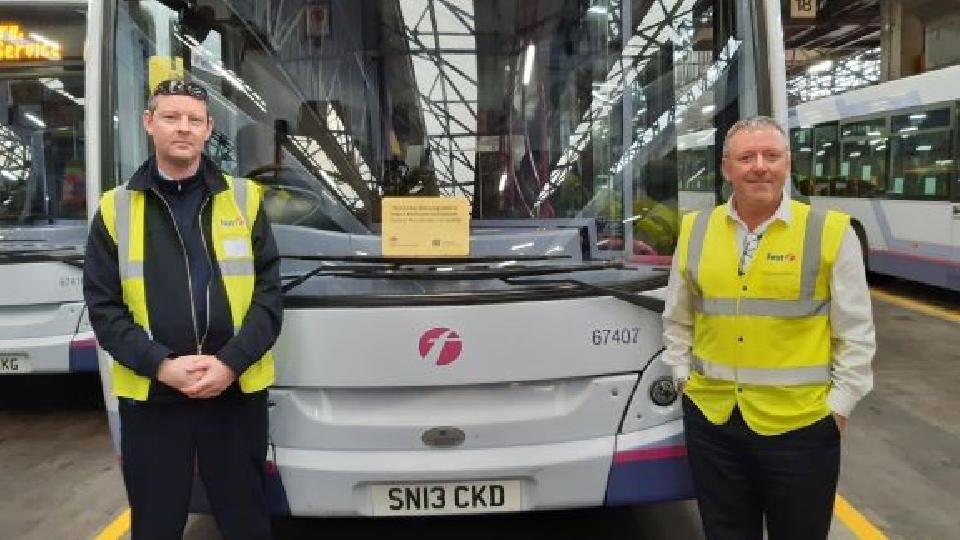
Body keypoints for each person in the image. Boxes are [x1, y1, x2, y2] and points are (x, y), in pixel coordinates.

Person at [83, 79, 282, 540]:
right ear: (148, 123)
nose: (184, 128)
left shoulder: (245, 200)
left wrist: (230, 363)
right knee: (155, 524)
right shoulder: (115, 209)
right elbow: (104, 306)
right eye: (171, 117)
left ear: (209, 128)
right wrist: (161, 366)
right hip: (154, 397)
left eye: (194, 120)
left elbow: (269, 297)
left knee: (246, 520)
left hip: (232, 393)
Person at [663, 116, 875, 540]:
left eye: (771, 156)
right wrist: (682, 376)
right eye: (746, 157)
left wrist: (840, 406)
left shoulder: (830, 232)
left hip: (802, 428)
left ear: (787, 164)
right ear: (727, 169)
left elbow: (855, 332)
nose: (759, 166)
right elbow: (678, 315)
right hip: (714, 422)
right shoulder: (695, 229)